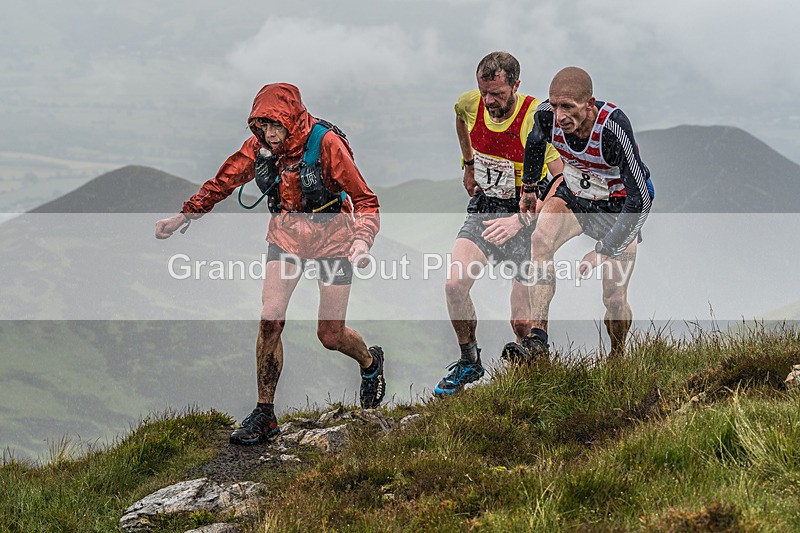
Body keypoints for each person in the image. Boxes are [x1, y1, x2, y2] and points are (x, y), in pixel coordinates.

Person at [154, 83, 385, 445]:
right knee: (270, 319)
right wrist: (183, 216)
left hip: (333, 240)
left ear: (292, 120)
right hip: (286, 238)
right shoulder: (261, 147)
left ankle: (370, 364)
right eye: (262, 127)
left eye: (276, 126)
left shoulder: (326, 144)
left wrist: (362, 238)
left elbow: (366, 200)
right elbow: (224, 181)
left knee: (330, 335)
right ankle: (265, 413)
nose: (270, 135)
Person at [434, 52, 564, 397]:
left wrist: (522, 219)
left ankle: (537, 385)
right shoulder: (470, 103)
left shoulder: (533, 119)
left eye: (498, 94)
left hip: (523, 214)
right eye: (484, 92)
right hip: (485, 206)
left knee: (522, 322)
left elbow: (559, 179)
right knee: (454, 285)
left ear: (516, 86)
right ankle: (469, 360)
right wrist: (468, 163)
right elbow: (460, 118)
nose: (490, 102)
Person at [520, 66, 653, 358]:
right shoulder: (546, 116)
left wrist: (605, 249)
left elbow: (641, 198)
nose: (559, 116)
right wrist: (529, 188)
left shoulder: (612, 128)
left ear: (589, 104)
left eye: (568, 107)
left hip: (618, 209)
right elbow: (535, 141)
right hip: (575, 198)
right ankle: (537, 339)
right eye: (555, 105)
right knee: (540, 240)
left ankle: (617, 356)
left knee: (614, 298)